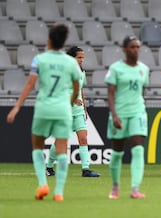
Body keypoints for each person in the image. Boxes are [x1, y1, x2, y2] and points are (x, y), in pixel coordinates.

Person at [6, 24, 80, 202]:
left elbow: (30, 84)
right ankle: (59, 192)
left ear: (49, 39)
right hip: (63, 109)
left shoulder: (40, 59)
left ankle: (42, 184)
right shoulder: (71, 62)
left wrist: (16, 107)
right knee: (62, 150)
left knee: (37, 147)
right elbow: (76, 90)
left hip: (44, 108)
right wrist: (68, 104)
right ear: (63, 42)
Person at [46, 46, 100, 178]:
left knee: (83, 139)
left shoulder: (82, 72)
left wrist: (85, 108)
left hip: (79, 111)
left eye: (83, 57)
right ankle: (49, 167)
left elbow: (81, 90)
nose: (81, 60)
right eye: (79, 57)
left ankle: (85, 169)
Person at [106, 35, 149, 200]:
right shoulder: (116, 69)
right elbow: (110, 94)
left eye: (138, 47)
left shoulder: (144, 69)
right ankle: (115, 186)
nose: (135, 50)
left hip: (138, 112)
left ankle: (135, 189)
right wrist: (114, 115)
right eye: (132, 47)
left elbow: (141, 92)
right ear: (124, 49)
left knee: (138, 150)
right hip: (120, 114)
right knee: (117, 152)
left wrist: (139, 107)